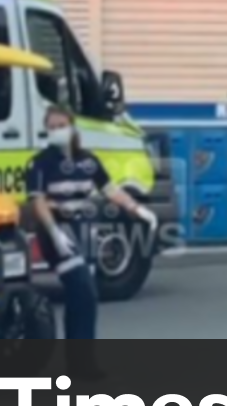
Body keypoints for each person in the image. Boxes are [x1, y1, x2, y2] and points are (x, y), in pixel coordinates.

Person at [27, 106, 158, 375]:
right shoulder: (40, 163)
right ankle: (82, 362)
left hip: (85, 232)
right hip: (58, 233)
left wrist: (138, 209)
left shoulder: (89, 161)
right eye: (51, 127)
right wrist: (53, 231)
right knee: (84, 290)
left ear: (73, 126)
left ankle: (78, 361)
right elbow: (38, 202)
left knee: (82, 297)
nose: (56, 131)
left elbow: (111, 191)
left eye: (60, 125)